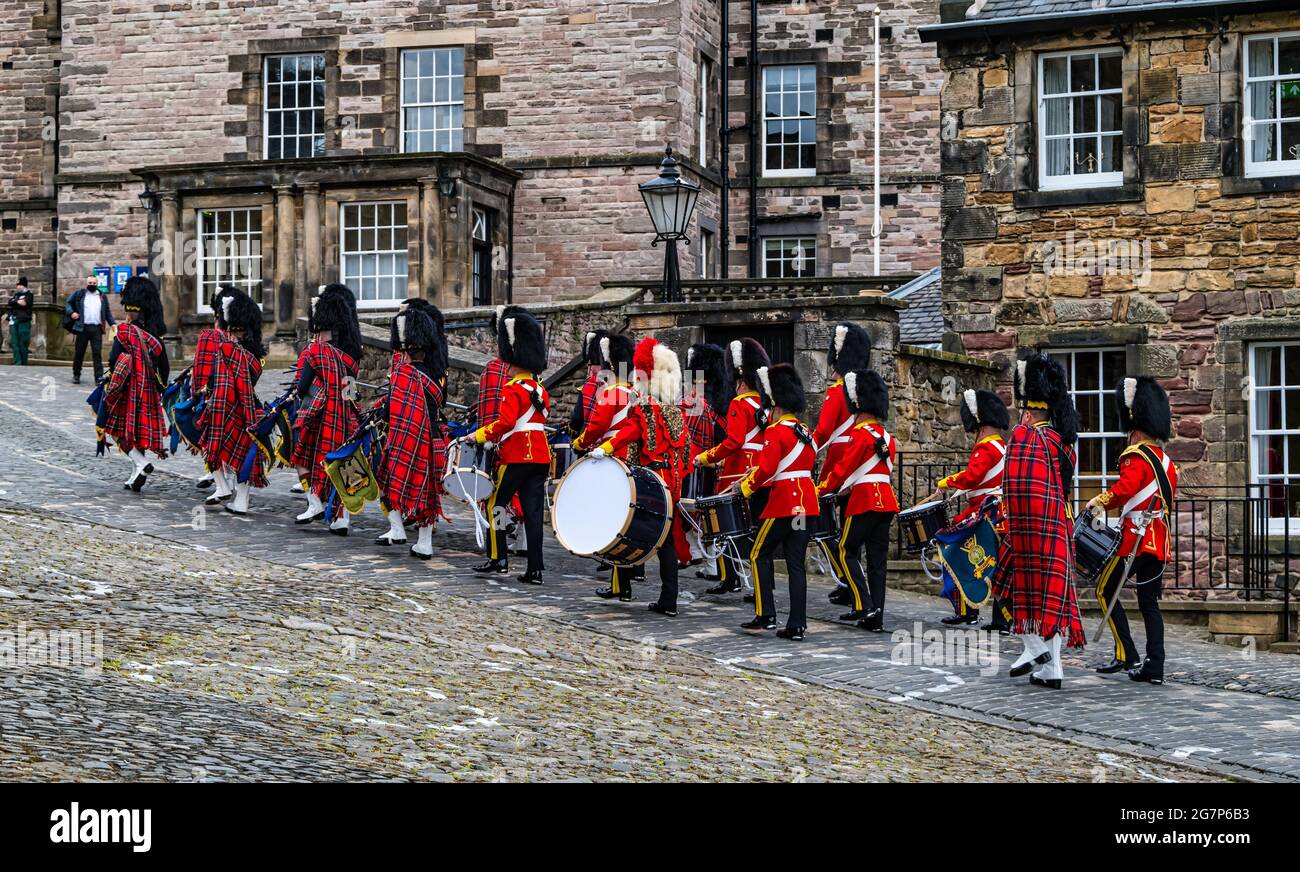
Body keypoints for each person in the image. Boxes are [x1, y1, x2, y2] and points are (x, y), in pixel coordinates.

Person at [995, 348, 1085, 690]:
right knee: (1053, 598)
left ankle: (1033, 648)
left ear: (1028, 413)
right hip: (1058, 524)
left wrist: (1010, 527)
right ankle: (1052, 670)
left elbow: (1015, 487)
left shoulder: (1024, 437)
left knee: (1017, 588)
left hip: (1029, 527)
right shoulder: (1063, 442)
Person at [1086, 376, 1177, 685]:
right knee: (1149, 603)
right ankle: (1155, 666)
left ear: (1134, 426)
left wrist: (1099, 500)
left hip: (1135, 540)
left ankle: (1126, 653)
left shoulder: (1135, 455)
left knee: (1104, 589)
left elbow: (1126, 489)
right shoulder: (1167, 461)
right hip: (1159, 541)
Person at [593, 337, 690, 615]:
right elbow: (685, 457)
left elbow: (630, 432)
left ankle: (622, 585)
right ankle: (668, 600)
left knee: (625, 529)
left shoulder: (645, 409)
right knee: (667, 542)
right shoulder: (677, 413)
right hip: (672, 483)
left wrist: (605, 447)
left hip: (649, 481)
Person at [735, 363, 817, 640]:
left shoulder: (775, 431)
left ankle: (765, 614)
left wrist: (745, 487)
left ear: (774, 403)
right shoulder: (806, 432)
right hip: (807, 502)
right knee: (796, 564)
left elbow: (768, 470)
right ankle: (797, 625)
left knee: (759, 554)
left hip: (784, 501)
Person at [471, 307, 551, 584]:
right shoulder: (540, 389)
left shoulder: (512, 388)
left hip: (517, 455)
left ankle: (499, 557)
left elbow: (505, 422)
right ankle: (535, 570)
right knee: (533, 512)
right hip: (540, 456)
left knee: (496, 503)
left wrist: (479, 435)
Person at [817, 370, 897, 632]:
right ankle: (877, 615)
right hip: (885, 502)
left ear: (857, 403)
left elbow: (842, 469)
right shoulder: (887, 438)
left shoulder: (859, 435)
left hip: (863, 502)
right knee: (877, 563)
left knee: (845, 549)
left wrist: (821, 489)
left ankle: (863, 605)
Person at [695, 337, 770, 595]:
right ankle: (747, 580)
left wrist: (707, 457)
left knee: (729, 526)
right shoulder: (764, 404)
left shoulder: (739, 404)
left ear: (739, 379)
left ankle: (731, 579)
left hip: (737, 471)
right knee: (752, 527)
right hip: (759, 470)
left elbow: (734, 441)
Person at [375, 305, 449, 560]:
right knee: (427, 495)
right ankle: (424, 544)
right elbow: (442, 403)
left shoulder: (402, 375)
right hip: (432, 439)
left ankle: (397, 527)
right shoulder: (439, 375)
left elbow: (389, 412)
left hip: (406, 439)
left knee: (384, 482)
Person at [934, 388, 1009, 627]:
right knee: (994, 565)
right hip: (996, 513)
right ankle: (997, 619)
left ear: (978, 422)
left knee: (953, 551)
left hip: (984, 512)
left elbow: (972, 478)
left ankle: (967, 609)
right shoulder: (1001, 445)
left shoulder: (986, 446)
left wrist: (946, 482)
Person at [291, 283, 362, 532]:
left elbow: (300, 389)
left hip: (318, 417)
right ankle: (342, 519)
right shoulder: (352, 355)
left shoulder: (315, 352)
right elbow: (351, 392)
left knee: (302, 458)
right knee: (341, 465)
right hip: (346, 417)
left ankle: (314, 503)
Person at [197, 288, 268, 515]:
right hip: (248, 407)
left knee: (211, 446)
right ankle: (241, 501)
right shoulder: (256, 357)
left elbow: (215, 380)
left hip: (225, 406)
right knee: (244, 456)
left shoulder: (227, 349)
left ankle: (222, 486)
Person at [815, 322, 872, 605]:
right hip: (862, 465)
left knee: (830, 531)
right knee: (851, 532)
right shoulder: (862, 390)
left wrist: (806, 449)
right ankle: (850, 582)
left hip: (839, 465)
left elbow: (824, 431)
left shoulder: (836, 391)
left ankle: (850, 583)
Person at [99, 276, 169, 491]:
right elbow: (164, 368)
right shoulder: (155, 337)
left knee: (114, 428)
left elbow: (113, 360)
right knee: (137, 433)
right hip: (148, 391)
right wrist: (158, 388)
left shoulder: (124, 332)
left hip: (127, 390)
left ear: (128, 311)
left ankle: (141, 463)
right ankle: (136, 474)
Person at [678, 342, 729, 571]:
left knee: (688, 510)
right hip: (717, 464)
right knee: (711, 514)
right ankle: (712, 565)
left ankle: (695, 552)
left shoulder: (692, 398)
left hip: (695, 463)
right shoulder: (724, 398)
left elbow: (683, 434)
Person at [188, 285, 239, 491]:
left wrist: (196, 393)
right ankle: (228, 480)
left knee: (211, 439)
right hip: (234, 397)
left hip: (212, 397)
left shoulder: (209, 336)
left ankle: (221, 484)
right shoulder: (236, 340)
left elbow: (201, 370)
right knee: (231, 439)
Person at [65, 274, 115, 384]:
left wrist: (113, 324)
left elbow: (107, 312)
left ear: (97, 284)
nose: (92, 285)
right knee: (79, 352)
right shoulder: (80, 294)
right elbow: (68, 303)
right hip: (82, 328)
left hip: (97, 329)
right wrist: (72, 312)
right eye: (90, 283)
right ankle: (76, 375)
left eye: (94, 283)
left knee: (97, 354)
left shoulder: (102, 296)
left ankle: (98, 378)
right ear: (87, 283)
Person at [569, 330, 610, 437]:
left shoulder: (592, 383)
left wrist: (572, 428)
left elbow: (577, 418)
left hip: (593, 441)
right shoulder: (623, 383)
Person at [7, 276, 34, 366]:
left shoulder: (29, 295)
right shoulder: (16, 295)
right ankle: (17, 361)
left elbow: (26, 303)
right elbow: (10, 302)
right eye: (17, 285)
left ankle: (23, 362)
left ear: (24, 286)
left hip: (23, 320)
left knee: (23, 342)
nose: (17, 287)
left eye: (19, 285)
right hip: (13, 319)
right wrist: (17, 302)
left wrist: (15, 302)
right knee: (14, 342)